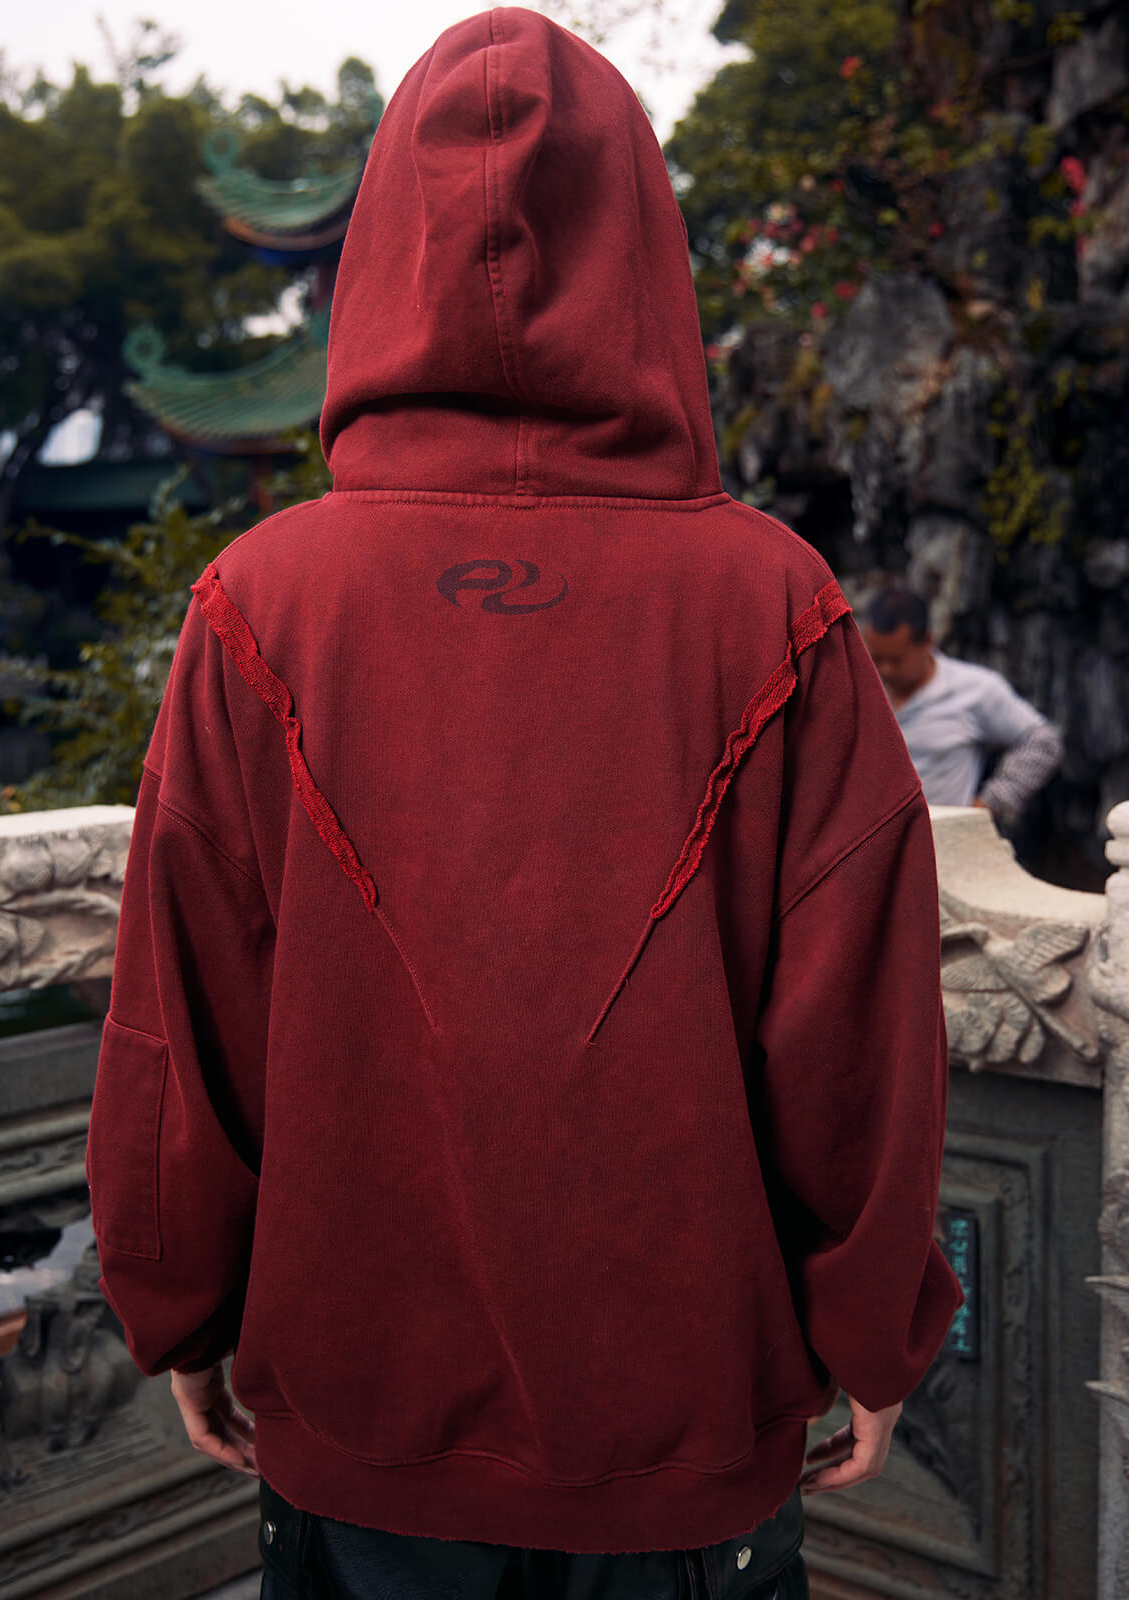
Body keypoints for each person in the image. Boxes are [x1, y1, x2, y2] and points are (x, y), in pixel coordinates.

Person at [86, 10, 962, 1598]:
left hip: (356, 1408)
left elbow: (180, 1024)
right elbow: (857, 1032)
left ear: (379, 252)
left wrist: (180, 1305)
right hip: (686, 1423)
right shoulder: (774, 605)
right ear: (642, 247)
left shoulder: (259, 605)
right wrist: (875, 1328)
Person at [862, 588, 1064, 827]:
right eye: (877, 659)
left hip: (941, 839)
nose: (885, 670)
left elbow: (1043, 742)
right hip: (870, 839)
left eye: (896, 660)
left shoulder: (974, 690)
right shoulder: (860, 689)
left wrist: (991, 802)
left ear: (927, 641)